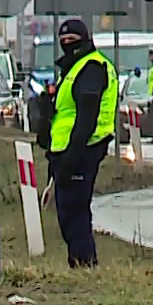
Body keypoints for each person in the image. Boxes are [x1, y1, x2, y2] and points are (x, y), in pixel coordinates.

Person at [44, 18, 117, 267]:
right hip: (66, 150)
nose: (67, 45)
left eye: (72, 41)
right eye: (63, 41)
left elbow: (86, 116)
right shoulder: (73, 69)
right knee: (66, 212)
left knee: (74, 210)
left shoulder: (91, 68)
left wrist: (73, 154)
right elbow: (65, 112)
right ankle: (80, 262)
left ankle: (85, 264)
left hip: (83, 149)